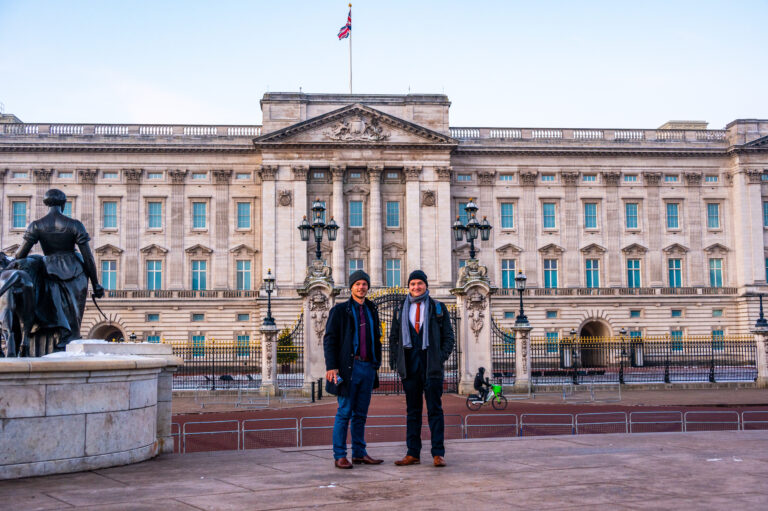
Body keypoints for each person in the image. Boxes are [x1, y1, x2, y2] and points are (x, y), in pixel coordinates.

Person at [13, 189, 104, 353]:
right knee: (74, 318)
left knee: (54, 311)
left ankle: (47, 346)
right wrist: (96, 284)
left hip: (49, 271)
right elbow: (88, 257)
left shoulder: (36, 225)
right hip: (75, 273)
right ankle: (68, 342)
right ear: (63, 204)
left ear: (46, 204)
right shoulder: (75, 224)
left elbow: (20, 255)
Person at [390, 270, 455, 467]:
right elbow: (394, 339)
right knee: (413, 412)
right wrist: (396, 363)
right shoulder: (400, 308)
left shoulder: (438, 307)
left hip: (431, 367)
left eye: (419, 283)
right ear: (408, 287)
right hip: (410, 368)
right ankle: (413, 453)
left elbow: (448, 338)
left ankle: (438, 453)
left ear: (426, 285)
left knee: (435, 410)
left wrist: (439, 358)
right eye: (413, 284)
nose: (416, 287)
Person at [323, 270, 383, 469]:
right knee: (344, 412)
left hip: (367, 367)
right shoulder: (340, 311)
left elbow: (377, 337)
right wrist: (331, 366)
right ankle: (340, 454)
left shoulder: (371, 308)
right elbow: (330, 339)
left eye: (364, 284)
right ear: (351, 287)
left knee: (361, 414)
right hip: (349, 368)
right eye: (357, 284)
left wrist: (376, 363)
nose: (361, 287)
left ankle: (359, 452)